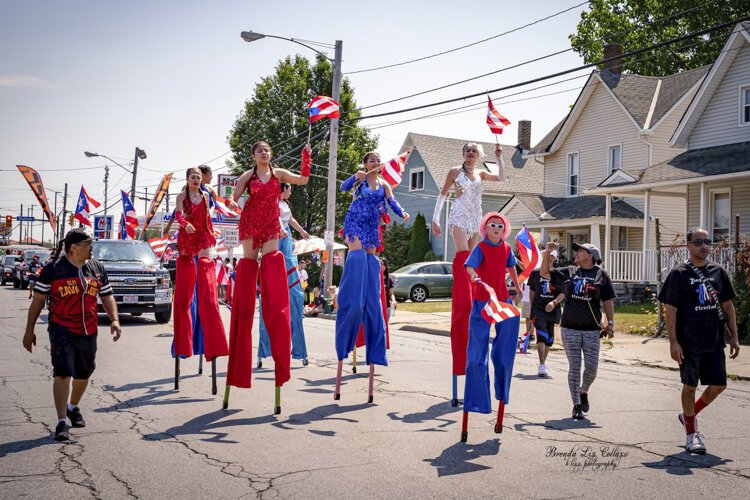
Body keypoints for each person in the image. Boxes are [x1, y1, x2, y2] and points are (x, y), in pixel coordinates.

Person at [224, 141, 311, 400]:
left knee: (273, 266)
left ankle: (279, 342)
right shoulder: (248, 176)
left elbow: (304, 180)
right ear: (253, 155)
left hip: (271, 223)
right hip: (251, 222)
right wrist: (231, 204)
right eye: (260, 151)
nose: (264, 153)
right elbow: (234, 196)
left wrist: (306, 157)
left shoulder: (279, 173)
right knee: (249, 270)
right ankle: (242, 310)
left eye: (267, 150)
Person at [22, 229, 121, 441]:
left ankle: (72, 407)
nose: (92, 247)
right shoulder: (53, 270)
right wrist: (29, 330)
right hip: (61, 329)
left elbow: (107, 296)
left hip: (88, 330)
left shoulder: (96, 268)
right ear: (74, 247)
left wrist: (114, 319)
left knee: (83, 374)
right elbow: (38, 301)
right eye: (88, 244)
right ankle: (61, 422)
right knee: (63, 372)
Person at [431, 142, 505, 403]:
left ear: (478, 155)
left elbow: (502, 177)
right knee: (462, 256)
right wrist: (436, 218)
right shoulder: (454, 172)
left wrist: (498, 157)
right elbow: (442, 195)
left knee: (475, 260)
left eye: (474, 151)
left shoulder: (482, 174)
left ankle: (474, 288)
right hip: (459, 215)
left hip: (477, 218)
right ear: (463, 154)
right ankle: (463, 288)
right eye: (468, 150)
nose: (471, 154)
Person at [334, 151, 409, 401]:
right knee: (356, 260)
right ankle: (349, 299)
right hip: (355, 222)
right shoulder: (361, 179)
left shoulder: (384, 184)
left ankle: (368, 307)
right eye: (371, 160)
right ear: (365, 164)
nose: (375, 163)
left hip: (372, 227)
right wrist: (354, 177)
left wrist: (402, 213)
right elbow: (344, 188)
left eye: (378, 160)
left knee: (370, 266)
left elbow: (393, 202)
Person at [658, 227, 740, 454]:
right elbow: (670, 309)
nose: (704, 246)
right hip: (689, 342)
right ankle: (692, 434)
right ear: (689, 245)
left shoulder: (718, 271)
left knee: (719, 385)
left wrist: (734, 336)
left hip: (714, 340)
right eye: (698, 242)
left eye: (707, 242)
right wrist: (673, 342)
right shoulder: (679, 273)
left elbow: (727, 306)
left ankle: (688, 416)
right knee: (690, 386)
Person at [461, 212, 521, 441]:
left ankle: (502, 392)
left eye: (499, 225)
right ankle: (478, 402)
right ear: (485, 229)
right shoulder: (481, 247)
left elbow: (512, 268)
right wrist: (473, 275)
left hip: (502, 301)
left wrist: (517, 287)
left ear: (504, 229)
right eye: (491, 225)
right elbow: (469, 266)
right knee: (476, 358)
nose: (495, 228)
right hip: (481, 301)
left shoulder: (506, 248)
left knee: (505, 357)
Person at [541, 241, 615, 420]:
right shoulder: (569, 271)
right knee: (574, 367)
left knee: (591, 367)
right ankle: (576, 405)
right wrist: (547, 253)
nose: (577, 253)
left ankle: (584, 391)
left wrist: (610, 322)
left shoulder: (601, 275)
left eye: (581, 251)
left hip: (591, 329)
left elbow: (607, 301)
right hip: (570, 328)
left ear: (590, 256)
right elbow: (544, 272)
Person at [172, 167, 229, 363]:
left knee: (206, 287)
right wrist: (184, 224)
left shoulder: (206, 194)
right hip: (188, 236)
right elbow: (177, 214)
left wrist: (212, 231)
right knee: (184, 298)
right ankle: (184, 345)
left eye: (198, 177)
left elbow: (211, 213)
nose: (196, 179)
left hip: (203, 235)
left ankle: (214, 343)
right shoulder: (181, 196)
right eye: (193, 177)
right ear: (187, 179)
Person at [258, 182, 312, 368]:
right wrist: (281, 230)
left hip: (286, 237)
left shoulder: (285, 205)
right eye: (289, 189)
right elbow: (277, 220)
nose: (291, 192)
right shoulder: (274, 203)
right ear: (283, 189)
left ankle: (298, 349)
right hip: (278, 238)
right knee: (273, 297)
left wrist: (302, 231)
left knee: (294, 296)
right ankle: (265, 350)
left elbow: (290, 220)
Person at [528, 250, 564, 377]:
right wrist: (532, 309)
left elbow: (562, 293)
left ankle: (543, 363)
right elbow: (532, 291)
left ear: (555, 258)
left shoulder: (558, 275)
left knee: (549, 339)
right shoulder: (535, 273)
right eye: (547, 255)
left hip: (552, 310)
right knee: (541, 335)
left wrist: (554, 303)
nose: (549, 257)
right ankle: (542, 364)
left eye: (552, 256)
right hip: (538, 309)